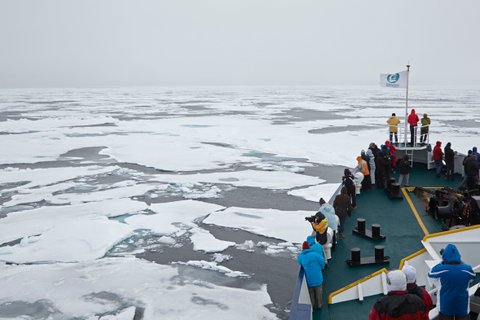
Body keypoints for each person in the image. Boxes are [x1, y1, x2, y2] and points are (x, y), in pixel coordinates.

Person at [428, 244, 475, 320]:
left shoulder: (441, 269)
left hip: (445, 307)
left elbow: (430, 273)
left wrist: (442, 261)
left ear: (445, 256)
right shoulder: (467, 269)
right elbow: (472, 277)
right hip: (462, 306)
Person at [297, 241, 326, 309]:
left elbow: (300, 263)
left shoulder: (300, 257)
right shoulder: (315, 254)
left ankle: (312, 306)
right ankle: (319, 305)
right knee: (319, 292)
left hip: (309, 280)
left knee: (311, 293)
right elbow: (322, 261)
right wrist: (320, 267)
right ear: (309, 247)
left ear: (303, 248)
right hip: (318, 278)